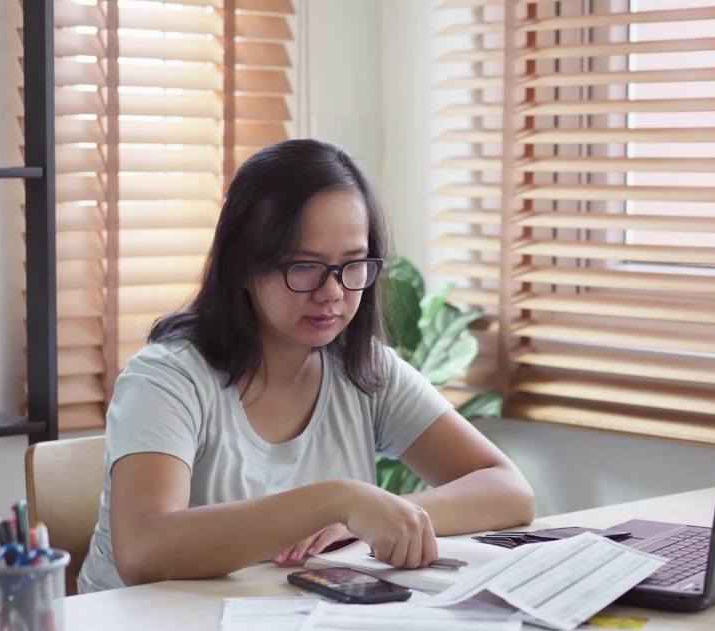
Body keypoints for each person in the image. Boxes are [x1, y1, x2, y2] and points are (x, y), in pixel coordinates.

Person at [77, 138, 536, 592]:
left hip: (284, 627)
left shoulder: (362, 367)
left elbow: (509, 491)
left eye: (352, 265)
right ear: (243, 266)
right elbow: (143, 552)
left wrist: (377, 516)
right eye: (304, 267)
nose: (332, 291)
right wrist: (339, 500)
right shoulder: (167, 379)